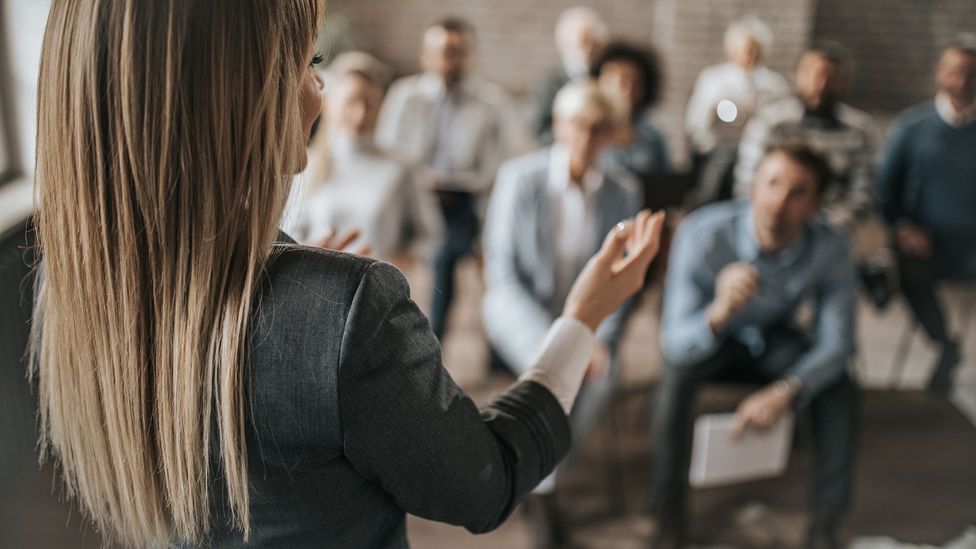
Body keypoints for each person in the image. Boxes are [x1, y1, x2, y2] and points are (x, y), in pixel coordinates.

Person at [29, 1, 665, 547]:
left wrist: (302, 284)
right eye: (305, 63)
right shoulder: (350, 305)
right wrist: (582, 318)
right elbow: (485, 483)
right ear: (229, 94)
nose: (318, 95)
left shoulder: (77, 291)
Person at [653, 145, 859, 549]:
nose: (779, 201)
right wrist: (719, 310)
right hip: (715, 338)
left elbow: (839, 342)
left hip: (774, 339)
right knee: (673, 379)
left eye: (798, 192)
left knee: (840, 385)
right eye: (772, 183)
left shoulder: (832, 247)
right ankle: (667, 513)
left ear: (815, 205)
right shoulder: (702, 232)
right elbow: (674, 343)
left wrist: (786, 391)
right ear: (751, 188)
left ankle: (826, 524)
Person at [483, 79, 646, 547]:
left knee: (600, 376)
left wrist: (594, 337)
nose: (585, 137)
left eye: (599, 128)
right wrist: (561, 342)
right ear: (558, 125)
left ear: (612, 134)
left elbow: (620, 282)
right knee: (557, 367)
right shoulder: (521, 177)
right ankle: (542, 490)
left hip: (590, 315)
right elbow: (503, 276)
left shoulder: (623, 189)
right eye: (577, 125)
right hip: (519, 308)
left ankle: (537, 481)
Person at [376, 18, 507, 340]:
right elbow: (387, 152)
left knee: (446, 247)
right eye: (445, 51)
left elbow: (496, 164)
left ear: (470, 55)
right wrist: (421, 180)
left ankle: (432, 339)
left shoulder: (490, 102)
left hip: (463, 199)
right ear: (426, 56)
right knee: (436, 242)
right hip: (410, 195)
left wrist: (460, 181)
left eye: (459, 51)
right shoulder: (405, 96)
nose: (452, 59)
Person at [878, 36, 976, 394]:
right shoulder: (912, 127)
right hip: (927, 240)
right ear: (941, 74)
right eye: (956, 71)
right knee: (907, 269)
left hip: (973, 242)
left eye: (972, 73)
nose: (963, 81)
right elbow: (886, 190)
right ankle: (944, 344)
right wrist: (903, 227)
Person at [284, 52, 442, 267]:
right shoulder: (303, 165)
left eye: (369, 104)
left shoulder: (401, 167)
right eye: (351, 102)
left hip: (381, 288)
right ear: (329, 102)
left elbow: (431, 235)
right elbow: (288, 237)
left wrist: (397, 263)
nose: (360, 114)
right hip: (322, 283)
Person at [735, 43, 877, 227]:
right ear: (798, 76)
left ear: (844, 83)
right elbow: (747, 184)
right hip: (773, 224)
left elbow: (863, 192)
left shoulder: (859, 131)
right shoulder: (771, 123)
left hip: (832, 231)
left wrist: (820, 227)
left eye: (830, 77)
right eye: (813, 74)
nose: (821, 84)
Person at [685, 16, 790, 206]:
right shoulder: (713, 80)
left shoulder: (774, 85)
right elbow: (697, 122)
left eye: (756, 49)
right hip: (720, 153)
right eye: (747, 48)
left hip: (759, 154)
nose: (751, 54)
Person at [591, 41, 671, 183]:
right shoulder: (587, 126)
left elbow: (665, 180)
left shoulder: (651, 134)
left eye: (631, 81)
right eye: (614, 79)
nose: (622, 89)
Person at [533, 7, 609, 145]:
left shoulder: (604, 78)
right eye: (583, 43)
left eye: (593, 43)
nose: (588, 50)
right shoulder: (549, 83)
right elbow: (540, 130)